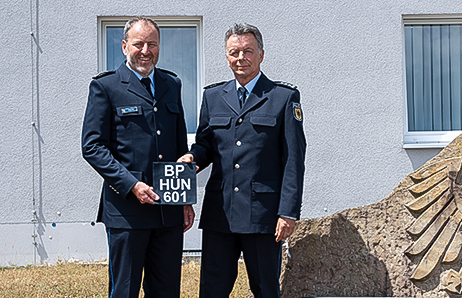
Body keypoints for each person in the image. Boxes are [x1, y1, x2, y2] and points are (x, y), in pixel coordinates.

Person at [177, 23, 306, 298]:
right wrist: (193, 157)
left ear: (261, 54)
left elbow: (294, 159)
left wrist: (288, 212)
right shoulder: (213, 97)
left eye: (248, 51)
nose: (241, 58)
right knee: (212, 289)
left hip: (263, 215)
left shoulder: (283, 97)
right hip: (219, 214)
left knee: (265, 289)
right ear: (226, 57)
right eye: (234, 52)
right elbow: (206, 146)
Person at [81, 16, 194, 298]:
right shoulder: (106, 87)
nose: (146, 51)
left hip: (168, 211)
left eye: (152, 44)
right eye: (138, 44)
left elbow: (181, 144)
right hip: (127, 212)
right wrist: (131, 184)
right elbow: (92, 146)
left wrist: (185, 200)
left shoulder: (172, 83)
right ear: (124, 46)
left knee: (166, 290)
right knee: (125, 290)